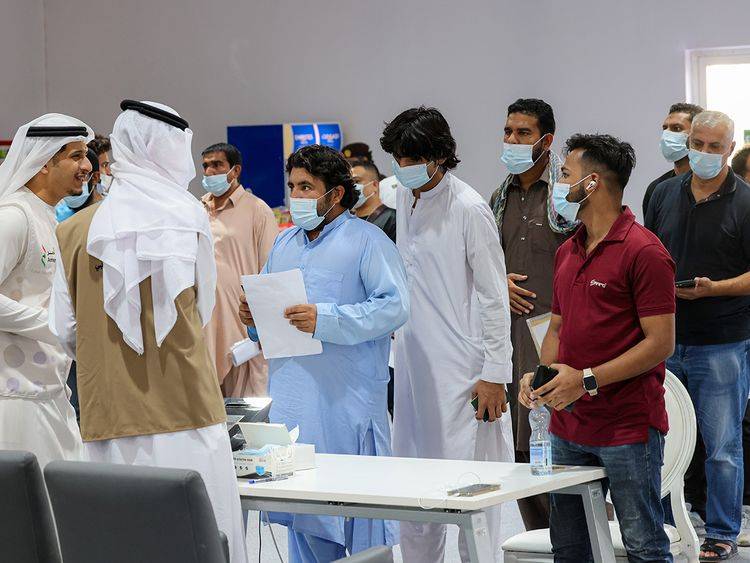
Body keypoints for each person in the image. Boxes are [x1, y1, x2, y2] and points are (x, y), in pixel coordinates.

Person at [49, 100, 247, 563]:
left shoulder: (73, 230)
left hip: (108, 415)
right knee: (201, 538)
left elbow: (62, 331)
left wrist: (109, 354)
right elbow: (203, 308)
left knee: (119, 542)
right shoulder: (192, 217)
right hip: (189, 410)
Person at [238, 144, 408, 562]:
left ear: (335, 193)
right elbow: (268, 308)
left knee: (361, 514)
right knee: (303, 514)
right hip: (294, 397)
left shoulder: (367, 241)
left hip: (347, 399)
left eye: (307, 187)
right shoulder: (284, 244)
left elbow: (394, 306)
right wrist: (253, 315)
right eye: (292, 186)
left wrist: (325, 319)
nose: (296, 196)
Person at [519, 133, 676, 562]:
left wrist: (586, 380)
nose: (557, 184)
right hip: (568, 427)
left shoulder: (645, 252)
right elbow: (557, 325)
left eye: (564, 174)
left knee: (644, 545)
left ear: (591, 184)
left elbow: (661, 343)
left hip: (627, 426)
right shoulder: (568, 250)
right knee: (569, 547)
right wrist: (542, 375)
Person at [381, 106, 514, 562]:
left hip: (463, 372)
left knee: (468, 493)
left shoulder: (469, 208)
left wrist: (496, 373)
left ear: (439, 157)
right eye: (397, 158)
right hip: (412, 366)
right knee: (415, 491)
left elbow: (496, 298)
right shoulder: (404, 194)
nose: (402, 166)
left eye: (411, 157)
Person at [646, 110, 750, 561]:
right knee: (662, 439)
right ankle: (668, 525)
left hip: (724, 340)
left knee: (722, 445)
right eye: (698, 144)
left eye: (714, 147)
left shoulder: (745, 202)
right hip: (665, 338)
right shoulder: (663, 193)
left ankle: (723, 530)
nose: (705, 153)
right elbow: (647, 253)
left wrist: (715, 289)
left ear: (729, 150)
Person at [490, 98, 576, 531]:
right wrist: (497, 281)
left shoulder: (565, 195)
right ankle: (540, 541)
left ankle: (581, 538)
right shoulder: (498, 197)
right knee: (523, 443)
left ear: (546, 140)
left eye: (523, 133)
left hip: (562, 337)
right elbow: (484, 261)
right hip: (512, 340)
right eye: (508, 131)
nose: (512, 140)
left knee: (566, 443)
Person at [0, 113, 93, 467]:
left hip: (51, 393)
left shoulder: (48, 217)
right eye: (75, 156)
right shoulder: (14, 217)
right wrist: (52, 324)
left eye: (85, 155)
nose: (86, 166)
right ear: (42, 163)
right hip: (15, 402)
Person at [201, 142, 277, 397]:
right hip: (204, 324)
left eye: (217, 165)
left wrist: (263, 328)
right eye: (206, 166)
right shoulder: (195, 210)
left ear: (235, 171)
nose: (210, 172)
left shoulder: (258, 210)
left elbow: (270, 270)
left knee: (245, 409)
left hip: (243, 325)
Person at [642, 102, 704, 218]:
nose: (667, 135)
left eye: (676, 128)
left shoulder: (712, 184)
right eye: (665, 128)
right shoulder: (656, 189)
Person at [351, 159, 395, 243]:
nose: (352, 187)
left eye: (357, 181)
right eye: (350, 183)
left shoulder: (392, 219)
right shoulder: (347, 220)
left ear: (375, 185)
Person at [55, 148, 103, 222]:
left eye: (79, 177)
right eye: (66, 178)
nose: (70, 185)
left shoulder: (108, 214)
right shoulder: (58, 216)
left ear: (94, 178)